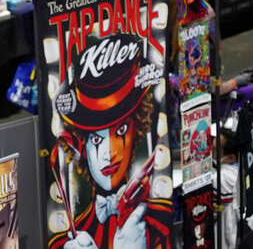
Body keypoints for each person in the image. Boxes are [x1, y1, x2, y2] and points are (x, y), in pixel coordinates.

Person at [51, 53, 172, 249]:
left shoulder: (159, 225)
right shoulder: (68, 238)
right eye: (97, 139)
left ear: (137, 130)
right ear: (81, 145)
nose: (108, 153)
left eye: (121, 131)